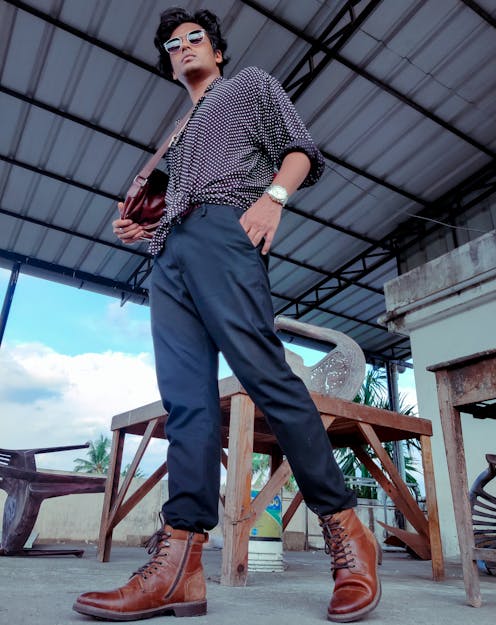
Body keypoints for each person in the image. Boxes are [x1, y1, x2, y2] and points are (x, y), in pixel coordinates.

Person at [73, 7, 380, 623]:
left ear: (216, 51)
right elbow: (169, 203)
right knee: (185, 402)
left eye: (194, 38)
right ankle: (181, 563)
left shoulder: (250, 85)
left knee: (266, 378)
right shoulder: (176, 130)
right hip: (169, 255)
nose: (182, 47)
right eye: (172, 44)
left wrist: (273, 200)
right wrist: (143, 223)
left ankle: (349, 534)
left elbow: (300, 150)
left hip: (226, 234)